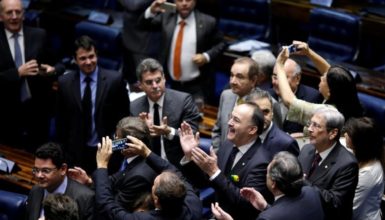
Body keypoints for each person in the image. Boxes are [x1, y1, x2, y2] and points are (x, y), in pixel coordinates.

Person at [180, 102, 272, 220]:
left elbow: (247, 203)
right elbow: (204, 182)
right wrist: (189, 156)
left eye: (236, 120)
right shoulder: (228, 145)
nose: (229, 123)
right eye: (231, 117)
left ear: (252, 129)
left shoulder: (262, 162)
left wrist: (214, 172)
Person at [56, 35, 130, 174]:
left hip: (108, 152)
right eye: (83, 58)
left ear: (97, 55)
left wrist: (117, 148)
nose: (88, 62)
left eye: (92, 56)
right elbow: (62, 122)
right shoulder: (64, 83)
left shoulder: (115, 80)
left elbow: (124, 119)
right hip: (76, 154)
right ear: (75, 60)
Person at [0, 0, 64, 149]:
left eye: (18, 12)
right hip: (6, 113)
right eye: (9, 12)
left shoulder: (39, 35)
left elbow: (60, 64)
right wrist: (17, 73)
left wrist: (53, 70)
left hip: (37, 112)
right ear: (1, 16)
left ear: (24, 14)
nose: (14, 16)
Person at [93, 135, 202, 219]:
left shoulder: (143, 217)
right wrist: (146, 152)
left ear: (156, 200)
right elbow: (171, 169)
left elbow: (106, 206)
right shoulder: (194, 206)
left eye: (154, 184)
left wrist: (102, 165)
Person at [139, 0, 226, 102]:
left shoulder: (208, 21)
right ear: (174, 1)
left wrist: (206, 56)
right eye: (180, 0)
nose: (184, 3)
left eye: (188, 0)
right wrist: (152, 10)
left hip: (197, 86)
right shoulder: (166, 17)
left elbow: (221, 44)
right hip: (171, 83)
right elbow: (143, 26)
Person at [68, 117, 157, 213]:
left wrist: (102, 165)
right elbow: (113, 182)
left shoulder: (139, 176)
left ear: (129, 144)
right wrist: (89, 182)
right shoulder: (130, 160)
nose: (114, 140)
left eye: (117, 137)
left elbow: (109, 207)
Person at [130, 58, 201, 169]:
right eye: (149, 82)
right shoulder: (134, 107)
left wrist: (169, 131)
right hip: (147, 168)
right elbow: (122, 142)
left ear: (164, 79)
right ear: (140, 85)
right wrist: (143, 131)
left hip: (177, 166)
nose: (155, 86)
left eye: (158, 80)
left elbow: (193, 135)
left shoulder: (183, 101)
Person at [211, 151, 325, 220]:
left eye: (267, 173)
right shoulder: (312, 192)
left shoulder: (268, 217)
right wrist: (265, 207)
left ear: (273, 183)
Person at [274, 41, 363, 127]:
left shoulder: (327, 112)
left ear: (329, 92)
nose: (320, 77)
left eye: (324, 79)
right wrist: (308, 52)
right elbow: (331, 73)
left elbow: (290, 101)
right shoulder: (345, 96)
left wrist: (280, 65)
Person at [298, 107, 358, 220]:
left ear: (333, 133)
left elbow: (335, 203)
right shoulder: (306, 149)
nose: (309, 129)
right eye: (310, 123)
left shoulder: (347, 164)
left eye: (316, 126)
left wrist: (302, 182)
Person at [26, 142, 95, 220]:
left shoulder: (85, 198)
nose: (39, 175)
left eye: (46, 170)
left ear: (63, 169)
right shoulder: (35, 190)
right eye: (36, 170)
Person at [211, 57, 258, 149]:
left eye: (239, 77)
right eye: (232, 75)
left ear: (253, 80)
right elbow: (217, 130)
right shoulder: (226, 95)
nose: (233, 81)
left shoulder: (264, 104)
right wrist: (217, 154)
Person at [343, 117, 384, 220]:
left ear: (359, 142)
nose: (345, 135)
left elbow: (349, 210)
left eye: (349, 134)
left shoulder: (368, 174)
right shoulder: (365, 154)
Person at [269, 57, 323, 133]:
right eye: (275, 77)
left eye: (283, 78)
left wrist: (304, 134)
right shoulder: (266, 95)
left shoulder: (313, 97)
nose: (277, 82)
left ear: (297, 78)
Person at [245, 88, 299, 157]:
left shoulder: (286, 144)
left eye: (266, 112)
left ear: (272, 113)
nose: (262, 117)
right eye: (257, 112)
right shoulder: (240, 133)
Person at [118, 0, 160, 88]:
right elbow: (132, 4)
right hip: (128, 35)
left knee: (146, 82)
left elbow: (135, 5)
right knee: (126, 79)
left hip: (146, 42)